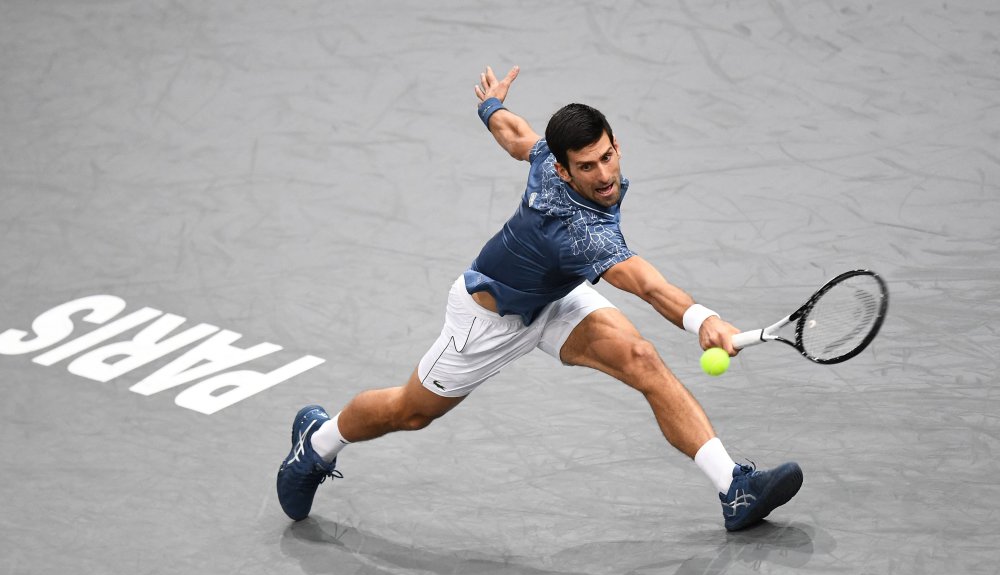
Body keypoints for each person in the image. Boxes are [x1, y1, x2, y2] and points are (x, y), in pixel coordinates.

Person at [277, 66, 802, 532]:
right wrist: (701, 318)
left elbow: (515, 135)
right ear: (563, 170)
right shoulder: (579, 233)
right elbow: (646, 284)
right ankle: (318, 443)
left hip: (555, 298)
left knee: (642, 360)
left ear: (614, 142)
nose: (605, 175)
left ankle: (734, 487)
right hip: (488, 319)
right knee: (410, 412)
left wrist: (490, 106)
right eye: (589, 167)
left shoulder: (550, 154)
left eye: (608, 156)